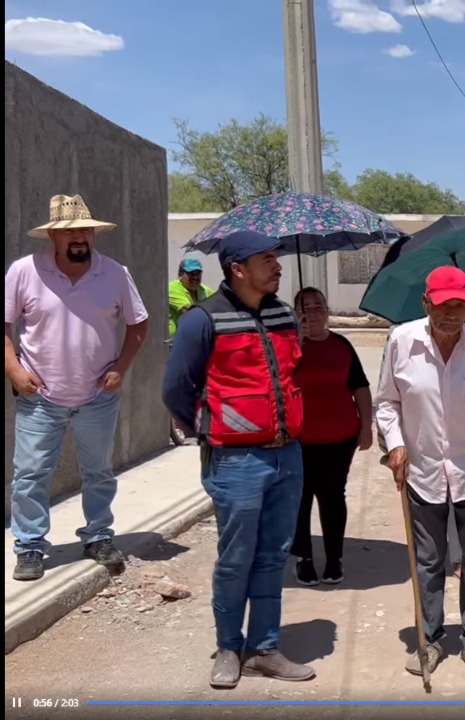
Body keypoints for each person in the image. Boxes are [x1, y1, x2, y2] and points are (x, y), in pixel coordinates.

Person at [162, 230, 313, 688]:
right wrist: (211, 428)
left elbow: (292, 374)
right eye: (266, 259)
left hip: (287, 456)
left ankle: (264, 649)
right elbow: (175, 389)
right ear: (237, 269)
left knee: (273, 556)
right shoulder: (202, 320)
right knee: (236, 558)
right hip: (234, 461)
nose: (277, 266)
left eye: (277, 257)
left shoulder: (284, 314)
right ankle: (229, 647)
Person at [379, 266, 465, 681]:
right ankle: (430, 638)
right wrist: (395, 443)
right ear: (426, 304)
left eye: (459, 306)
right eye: (442, 306)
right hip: (421, 472)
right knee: (428, 560)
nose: (451, 314)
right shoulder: (402, 341)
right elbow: (387, 403)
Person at [6, 194, 148, 582]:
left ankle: (98, 536)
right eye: (70, 232)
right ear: (53, 236)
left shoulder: (114, 273)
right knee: (30, 475)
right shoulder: (24, 272)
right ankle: (30, 546)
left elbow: (138, 323)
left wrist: (121, 367)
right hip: (39, 397)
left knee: (99, 472)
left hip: (97, 396)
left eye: (85, 230)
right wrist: (15, 371)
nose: (80, 237)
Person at [290, 287, 373, 586]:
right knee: (299, 498)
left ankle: (334, 558)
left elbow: (360, 386)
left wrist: (367, 426)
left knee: (333, 497)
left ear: (326, 311)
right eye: (305, 308)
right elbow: (276, 381)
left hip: (340, 438)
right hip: (298, 440)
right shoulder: (287, 347)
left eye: (318, 307)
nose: (312, 313)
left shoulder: (341, 345)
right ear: (295, 313)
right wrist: (296, 345)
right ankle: (304, 557)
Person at [168, 257, 215, 336]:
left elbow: (220, 301)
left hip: (196, 337)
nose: (195, 277)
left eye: (198, 273)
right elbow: (189, 313)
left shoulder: (203, 289)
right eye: (191, 273)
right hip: (176, 340)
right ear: (180, 274)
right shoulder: (172, 288)